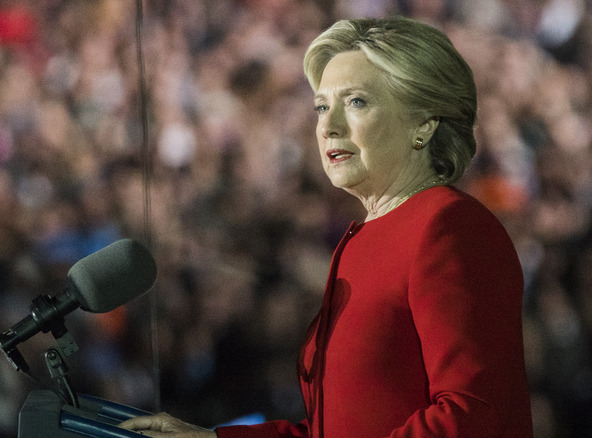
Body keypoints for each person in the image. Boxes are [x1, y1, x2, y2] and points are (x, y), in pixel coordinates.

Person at [120, 16, 533, 437]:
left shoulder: (450, 228)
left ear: (423, 123)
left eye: (356, 102)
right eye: (321, 106)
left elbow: (475, 416)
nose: (327, 126)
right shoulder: (359, 242)